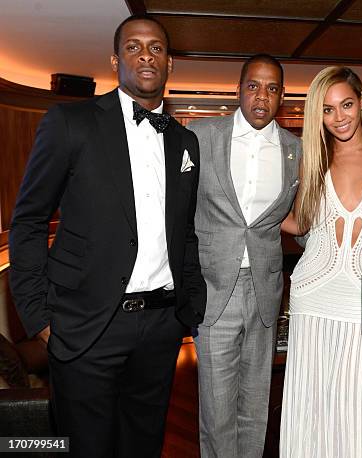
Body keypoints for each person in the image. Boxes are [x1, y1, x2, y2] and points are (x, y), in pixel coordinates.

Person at [8, 14, 206, 458]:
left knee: (144, 443)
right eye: (133, 47)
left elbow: (184, 231)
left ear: (170, 63)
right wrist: (39, 319)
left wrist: (189, 306)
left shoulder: (185, 143)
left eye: (156, 48)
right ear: (115, 59)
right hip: (86, 324)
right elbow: (29, 221)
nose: (146, 55)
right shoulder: (69, 123)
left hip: (161, 327)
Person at [279, 66, 362, 458]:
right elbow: (299, 222)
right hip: (312, 294)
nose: (340, 117)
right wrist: (251, 219)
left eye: (346, 104)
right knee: (310, 404)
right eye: (328, 110)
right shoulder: (311, 160)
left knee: (358, 407)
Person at [187, 54, 302, 458]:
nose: (262, 97)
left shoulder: (295, 150)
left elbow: (296, 219)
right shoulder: (200, 136)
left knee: (256, 407)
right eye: (254, 86)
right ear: (239, 89)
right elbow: (179, 212)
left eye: (272, 89)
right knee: (216, 409)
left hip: (266, 292)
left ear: (282, 97)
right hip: (213, 289)